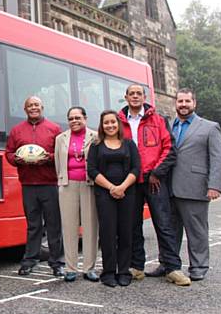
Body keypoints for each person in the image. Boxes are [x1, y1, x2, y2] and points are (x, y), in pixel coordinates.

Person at [117, 84, 191, 286]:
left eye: (138, 94)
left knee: (164, 224)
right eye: (131, 94)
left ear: (144, 97)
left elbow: (169, 149)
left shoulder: (158, 120)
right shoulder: (118, 121)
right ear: (126, 97)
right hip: (130, 181)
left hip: (154, 180)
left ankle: (172, 267)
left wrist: (157, 172)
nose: (135, 97)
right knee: (132, 225)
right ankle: (136, 266)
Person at [5, 96, 64, 276]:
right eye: (30, 105)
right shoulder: (17, 131)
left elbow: (61, 154)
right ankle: (29, 260)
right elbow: (8, 153)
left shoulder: (54, 129)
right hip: (28, 184)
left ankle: (57, 263)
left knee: (54, 225)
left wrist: (49, 158)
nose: (33, 108)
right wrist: (17, 159)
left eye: (36, 105)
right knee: (33, 225)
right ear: (25, 109)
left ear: (42, 107)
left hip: (49, 183)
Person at [169, 88, 221, 281]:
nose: (183, 105)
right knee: (169, 231)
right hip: (168, 188)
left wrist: (215, 185)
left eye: (187, 101)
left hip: (195, 187)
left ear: (194, 103)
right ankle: (169, 265)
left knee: (197, 231)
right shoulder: (169, 125)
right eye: (180, 101)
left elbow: (218, 158)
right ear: (175, 103)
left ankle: (199, 266)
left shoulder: (210, 127)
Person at [87, 110, 140, 287]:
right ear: (101, 126)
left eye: (113, 122)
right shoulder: (95, 145)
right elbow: (92, 170)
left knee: (125, 232)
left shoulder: (129, 144)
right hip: (104, 193)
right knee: (108, 233)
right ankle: (108, 272)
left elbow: (136, 168)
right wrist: (111, 188)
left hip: (127, 193)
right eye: (106, 123)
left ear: (119, 124)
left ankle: (124, 271)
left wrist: (122, 187)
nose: (110, 126)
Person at [54, 107, 99, 282]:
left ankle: (89, 268)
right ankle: (71, 268)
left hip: (89, 184)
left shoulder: (95, 137)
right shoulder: (60, 138)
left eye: (78, 117)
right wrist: (62, 180)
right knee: (69, 226)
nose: (74, 121)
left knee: (90, 226)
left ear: (85, 118)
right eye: (71, 118)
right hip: (68, 184)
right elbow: (58, 162)